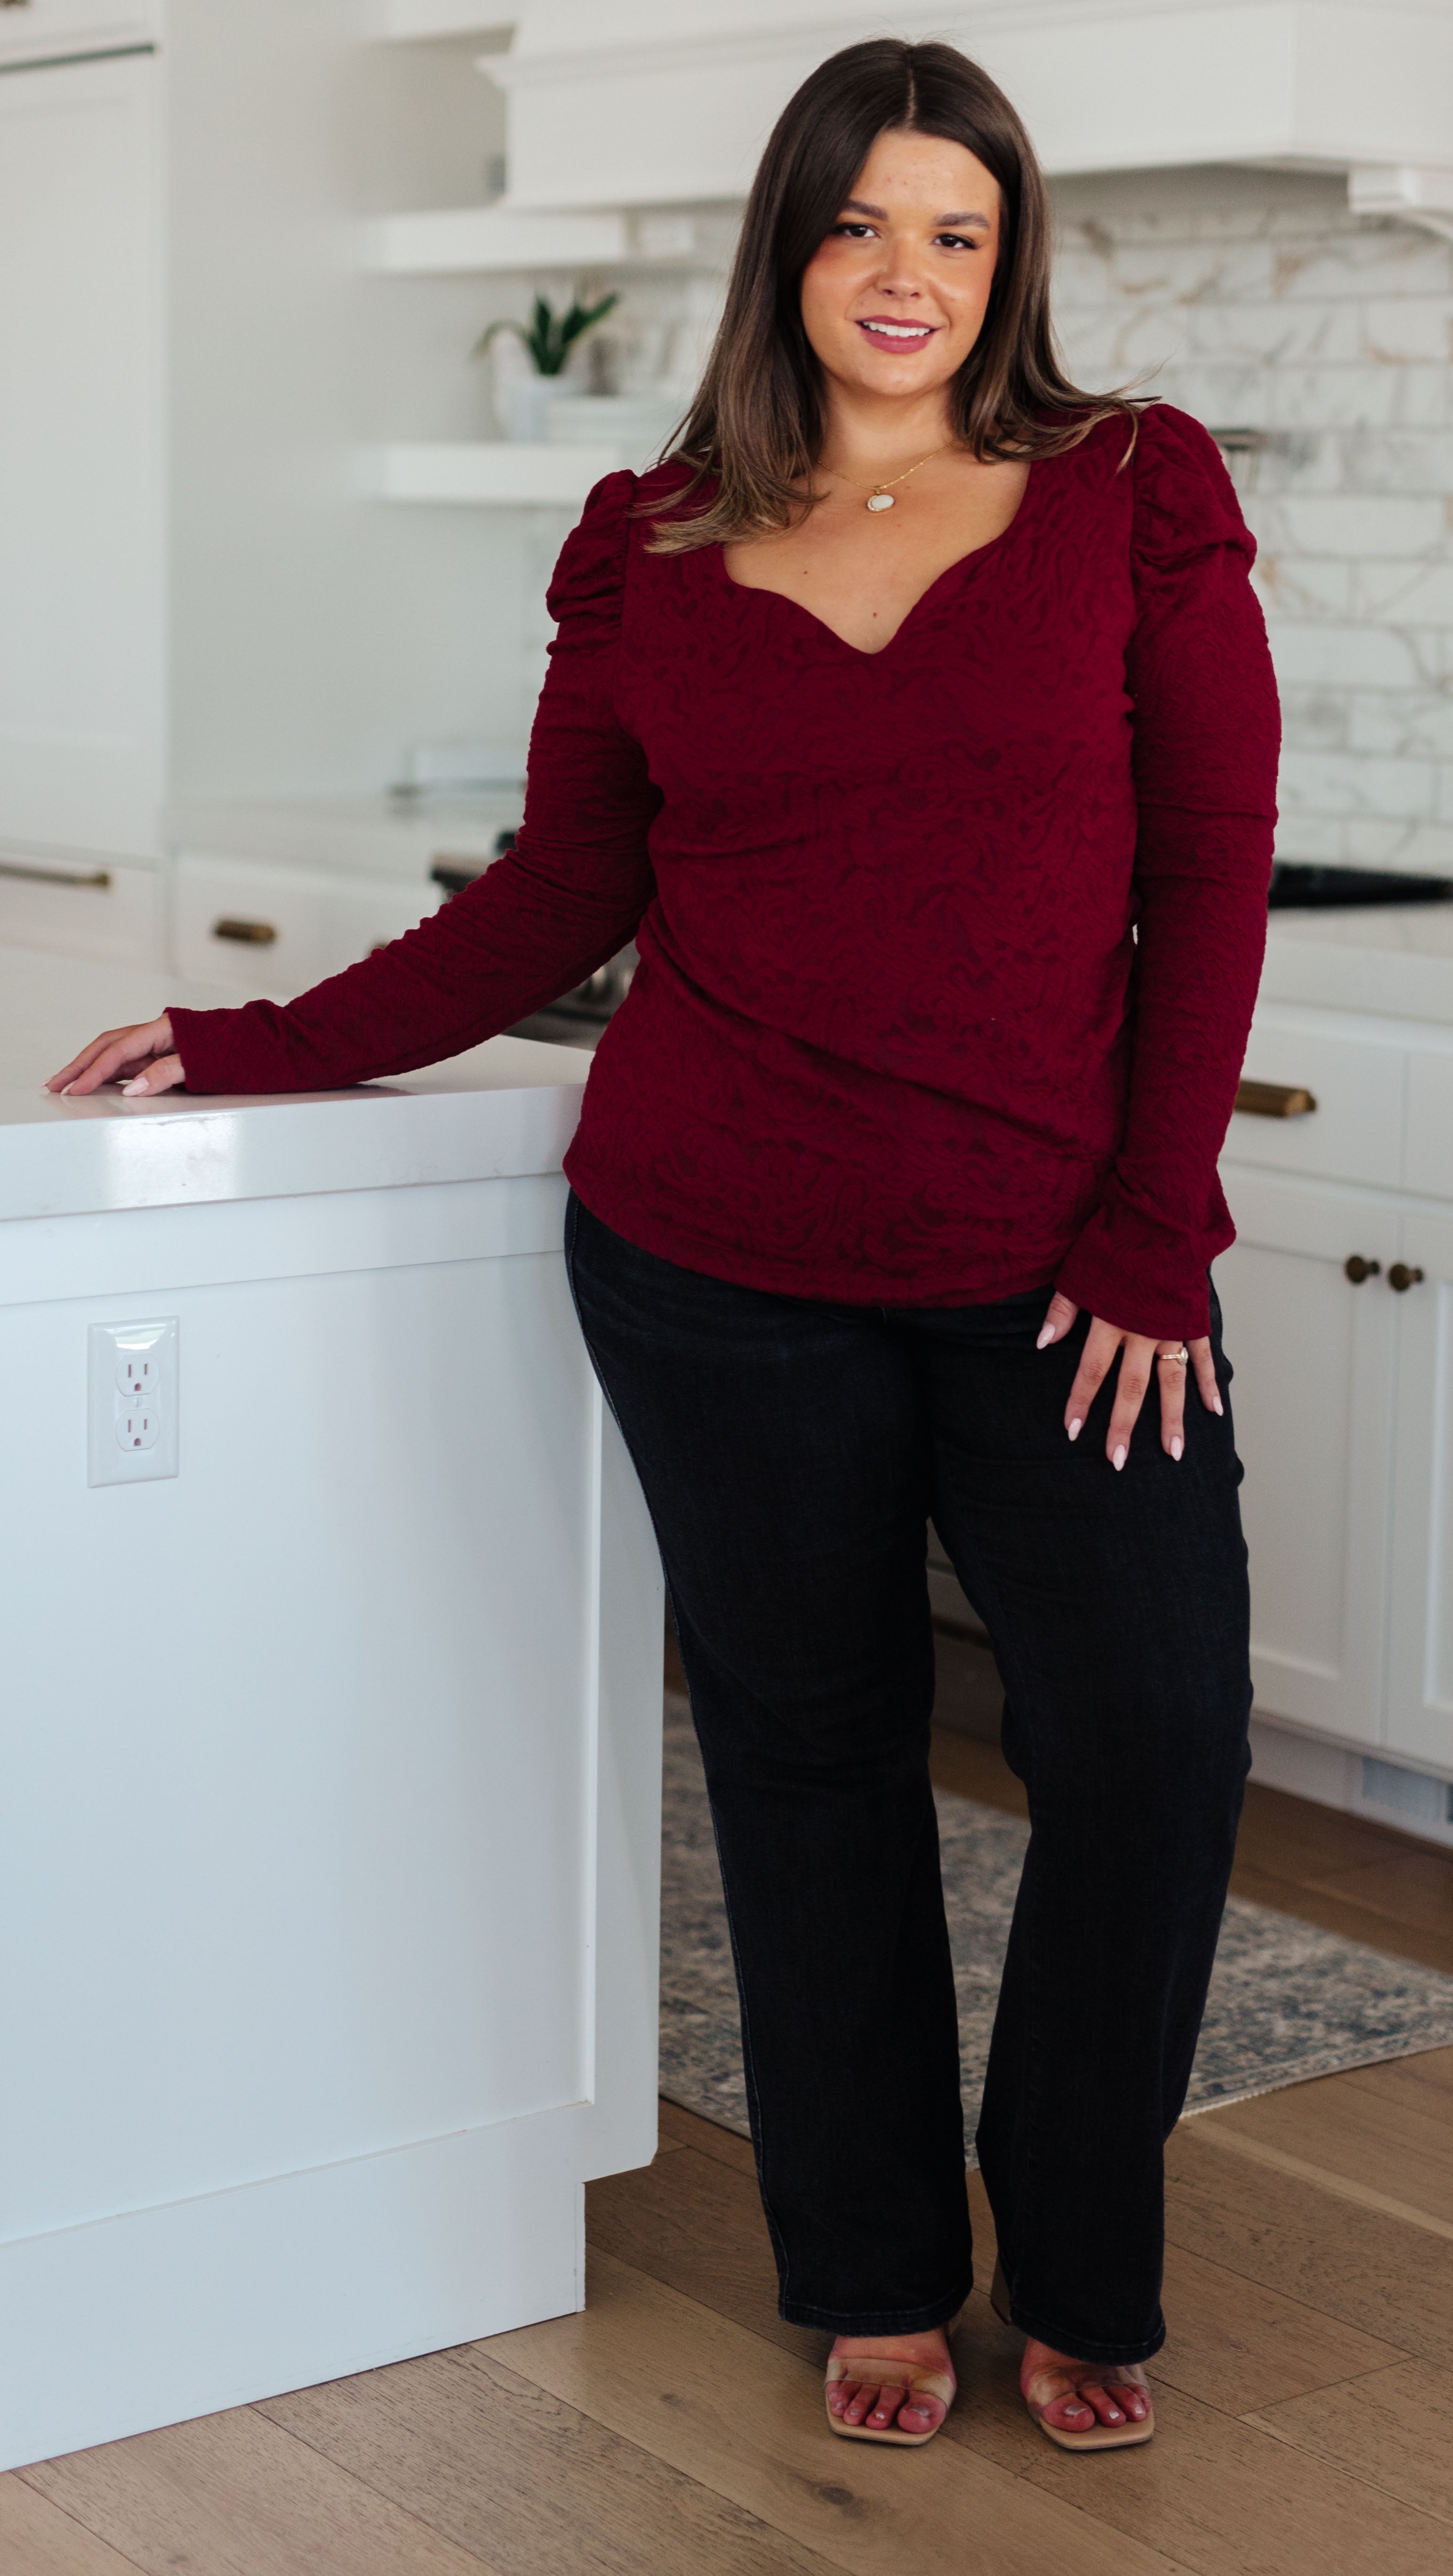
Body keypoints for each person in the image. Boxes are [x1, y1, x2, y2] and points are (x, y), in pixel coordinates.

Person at [50, 37, 1279, 2457]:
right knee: (811, 1758)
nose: (909, 274)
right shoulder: (653, 538)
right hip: (715, 1256)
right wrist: (262, 1035)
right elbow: (560, 892)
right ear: (787, 247)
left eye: (958, 230)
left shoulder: (1137, 487)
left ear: (1011, 258)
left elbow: (1209, 874)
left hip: (1061, 1268)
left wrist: (1162, 1233)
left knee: (1152, 1744)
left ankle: (1085, 2261)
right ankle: (874, 2269)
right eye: (862, 224)